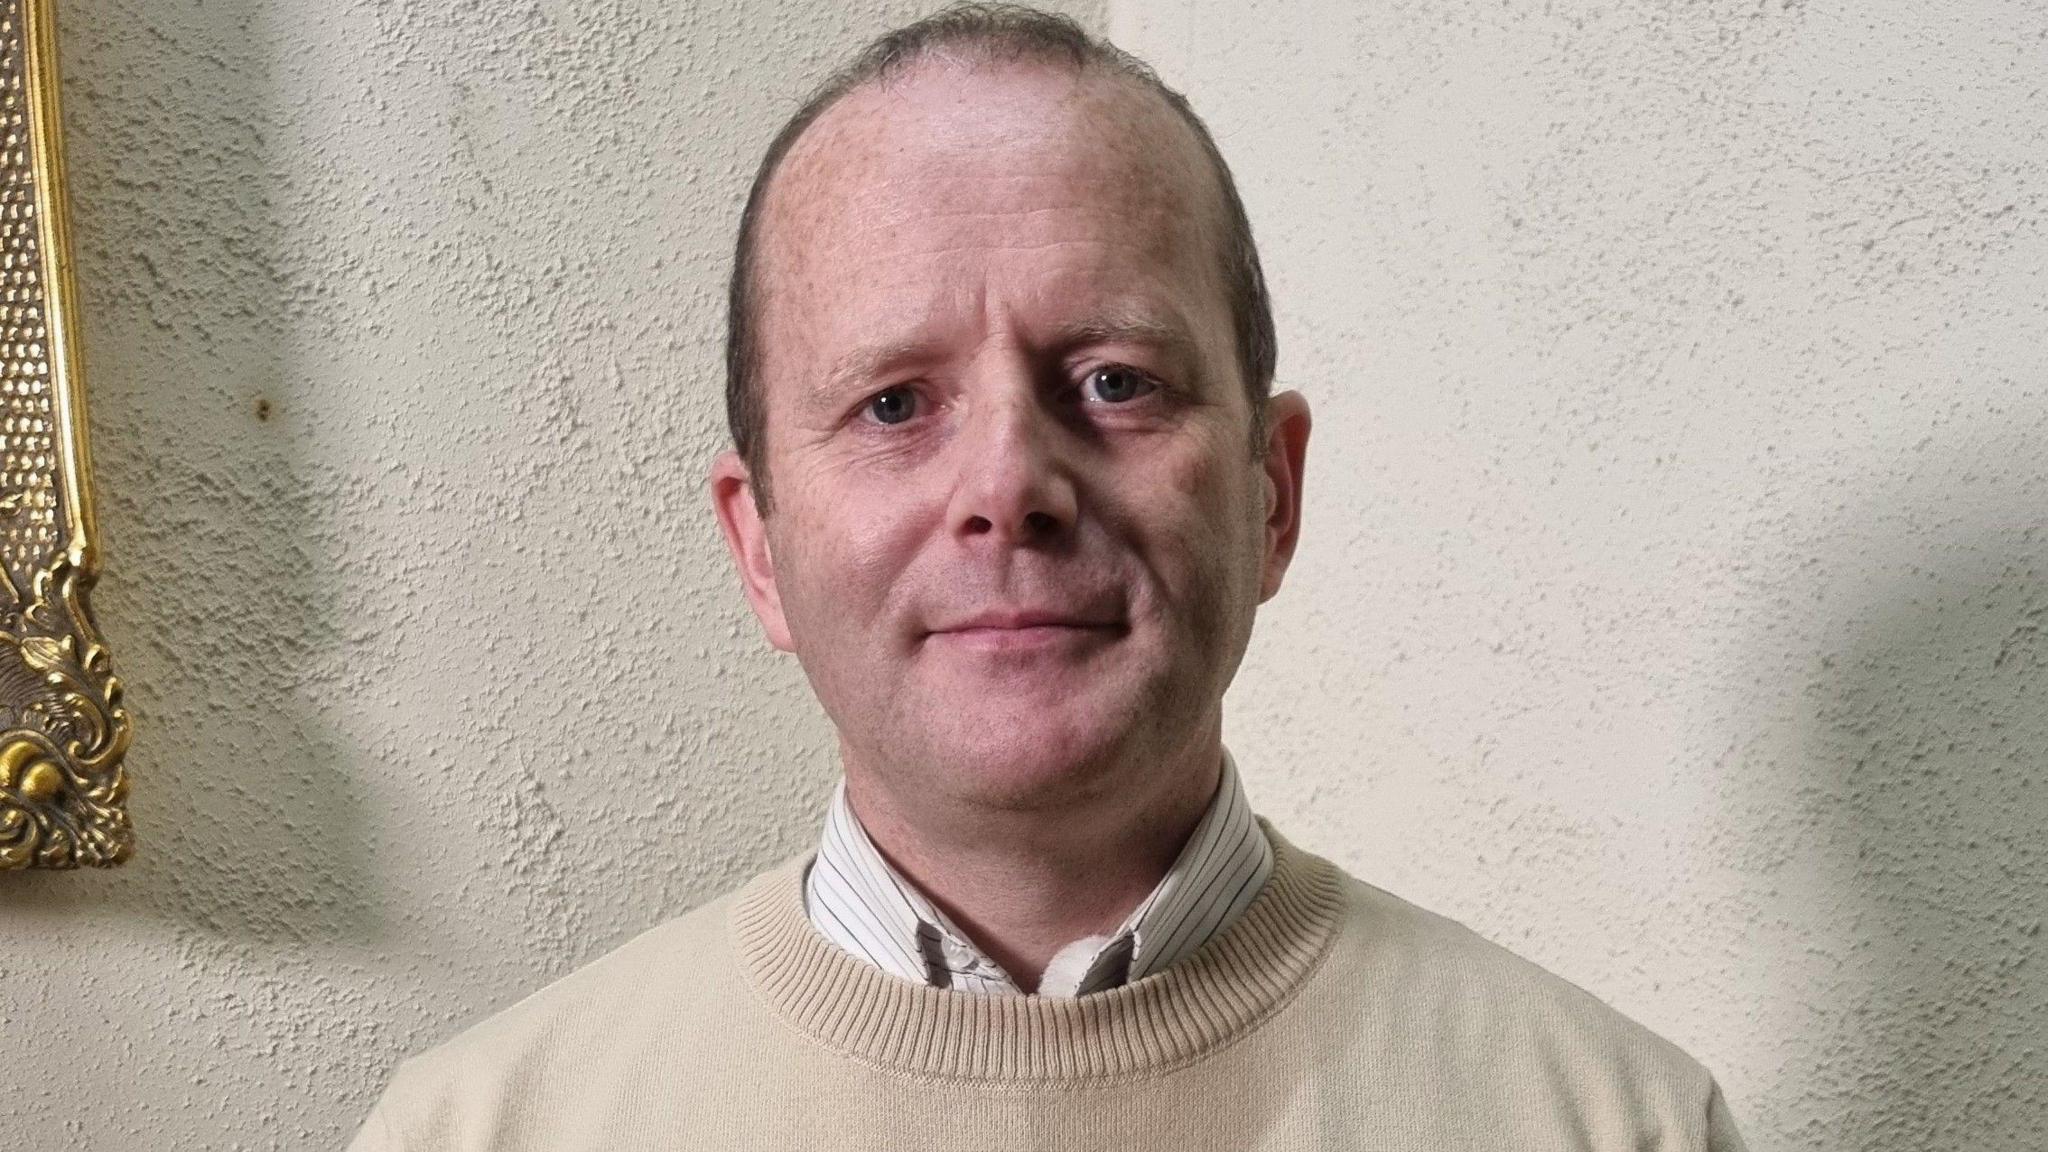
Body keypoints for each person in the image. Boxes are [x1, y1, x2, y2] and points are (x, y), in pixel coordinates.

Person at [348, 5, 1746, 1149]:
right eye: (897, 405)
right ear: (759, 548)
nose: (1011, 484)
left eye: (1115, 381)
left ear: (1271, 493)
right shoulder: (475, 1134)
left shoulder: (1613, 1124)